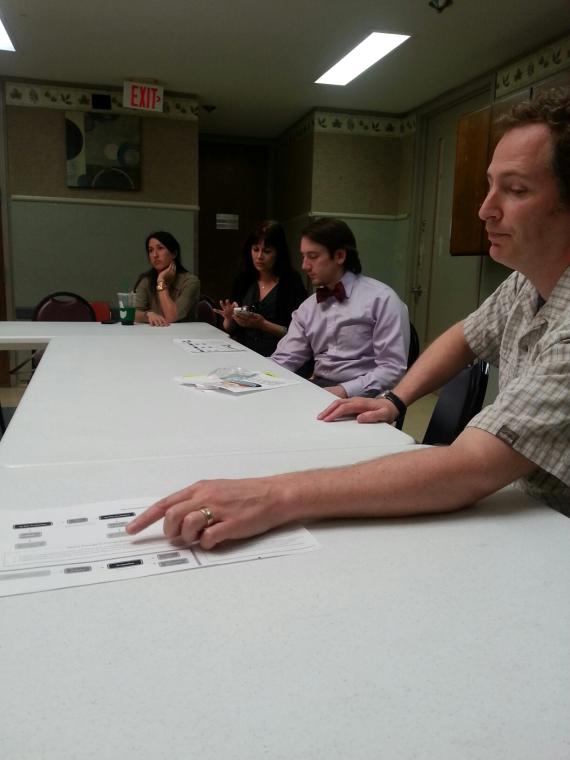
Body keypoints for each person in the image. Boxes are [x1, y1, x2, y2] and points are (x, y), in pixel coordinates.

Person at [127, 88, 570, 549]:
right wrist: (396, 399)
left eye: (516, 190)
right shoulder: (523, 284)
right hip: (523, 508)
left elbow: (471, 468)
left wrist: (274, 495)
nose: (484, 209)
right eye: (490, 185)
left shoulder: (383, 299)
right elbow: (465, 336)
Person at [270, 218, 410, 398]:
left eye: (312, 256)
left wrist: (343, 390)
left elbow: (392, 369)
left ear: (339, 256)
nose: (304, 266)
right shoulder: (308, 307)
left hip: (366, 395)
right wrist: (249, 376)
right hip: (320, 388)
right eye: (303, 256)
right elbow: (285, 359)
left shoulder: (382, 299)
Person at [216, 221, 307, 356]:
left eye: (266, 251)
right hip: (244, 352)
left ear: (278, 253)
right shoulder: (243, 278)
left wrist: (263, 324)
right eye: (255, 249)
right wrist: (229, 319)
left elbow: (298, 333)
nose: (259, 257)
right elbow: (230, 329)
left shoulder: (291, 281)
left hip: (279, 355)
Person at [134, 231, 200, 326]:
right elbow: (133, 313)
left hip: (183, 332)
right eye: (151, 250)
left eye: (160, 248)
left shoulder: (190, 282)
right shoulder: (146, 280)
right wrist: (147, 315)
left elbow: (171, 317)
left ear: (174, 254)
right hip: (153, 332)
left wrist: (161, 281)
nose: (155, 255)